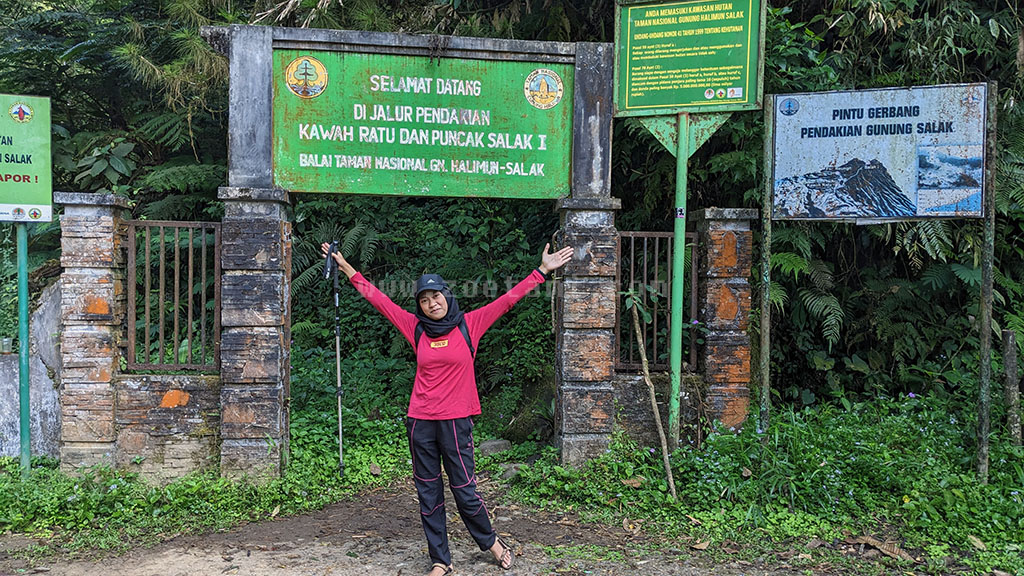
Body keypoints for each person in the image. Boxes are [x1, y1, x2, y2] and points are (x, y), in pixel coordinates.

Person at [321, 241, 573, 576]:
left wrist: (542, 271)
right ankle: (441, 560)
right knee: (428, 493)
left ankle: (492, 543)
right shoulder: (415, 328)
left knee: (465, 491)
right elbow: (380, 301)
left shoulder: (470, 324)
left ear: (447, 295)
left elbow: (508, 300)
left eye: (435, 297)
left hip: (456, 422)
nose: (431, 304)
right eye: (424, 300)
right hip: (420, 421)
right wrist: (348, 269)